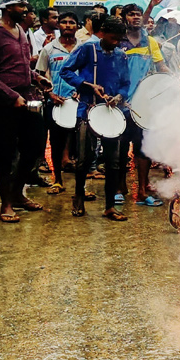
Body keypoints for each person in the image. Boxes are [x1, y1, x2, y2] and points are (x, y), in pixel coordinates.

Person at [0, 0, 47, 223]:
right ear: (9, 7)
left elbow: (19, 64)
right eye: (22, 5)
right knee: (5, 153)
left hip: (27, 96)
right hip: (5, 102)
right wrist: (10, 95)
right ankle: (6, 203)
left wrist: (36, 77)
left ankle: (17, 193)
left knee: (36, 147)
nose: (26, 9)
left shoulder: (20, 30)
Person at [59, 15, 130, 221]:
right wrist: (87, 85)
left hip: (110, 113)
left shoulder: (120, 56)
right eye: (112, 37)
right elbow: (66, 71)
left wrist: (119, 96)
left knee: (113, 161)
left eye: (119, 39)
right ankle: (78, 197)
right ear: (103, 33)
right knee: (84, 159)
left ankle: (109, 206)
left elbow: (125, 83)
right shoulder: (87, 49)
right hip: (87, 110)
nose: (116, 42)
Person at [118, 3, 168, 206]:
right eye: (131, 14)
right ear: (124, 18)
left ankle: (141, 190)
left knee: (143, 149)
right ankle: (120, 188)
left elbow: (161, 66)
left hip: (143, 105)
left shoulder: (150, 43)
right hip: (120, 103)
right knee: (120, 150)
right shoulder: (117, 40)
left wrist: (175, 82)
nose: (136, 17)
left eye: (139, 14)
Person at [37, 11, 82, 194]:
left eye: (72, 22)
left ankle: (81, 185)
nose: (68, 25)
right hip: (57, 102)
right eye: (64, 22)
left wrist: (82, 91)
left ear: (77, 26)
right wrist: (50, 93)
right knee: (56, 142)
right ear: (59, 26)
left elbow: (89, 74)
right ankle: (58, 180)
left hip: (79, 102)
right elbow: (39, 75)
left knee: (81, 145)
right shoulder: (49, 49)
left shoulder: (85, 48)